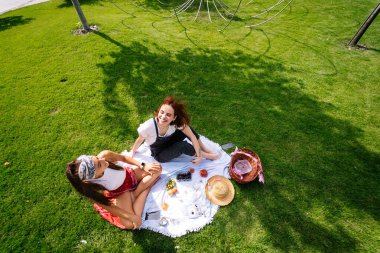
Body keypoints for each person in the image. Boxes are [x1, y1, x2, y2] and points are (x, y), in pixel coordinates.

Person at [66, 150, 162, 230]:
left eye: (97, 158)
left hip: (131, 176)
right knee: (130, 224)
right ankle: (144, 190)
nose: (103, 160)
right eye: (99, 164)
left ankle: (137, 193)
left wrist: (143, 165)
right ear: (93, 177)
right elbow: (110, 207)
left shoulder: (105, 155)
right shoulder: (90, 187)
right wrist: (133, 217)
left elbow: (124, 158)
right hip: (122, 192)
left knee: (157, 168)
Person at [131, 96, 219, 164]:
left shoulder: (176, 123)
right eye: (162, 112)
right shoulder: (148, 126)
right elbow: (140, 139)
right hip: (160, 154)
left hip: (169, 142)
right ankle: (207, 155)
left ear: (174, 118)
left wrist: (199, 156)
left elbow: (192, 136)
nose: (163, 116)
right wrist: (133, 151)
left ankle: (204, 149)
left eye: (168, 115)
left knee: (188, 129)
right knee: (183, 146)